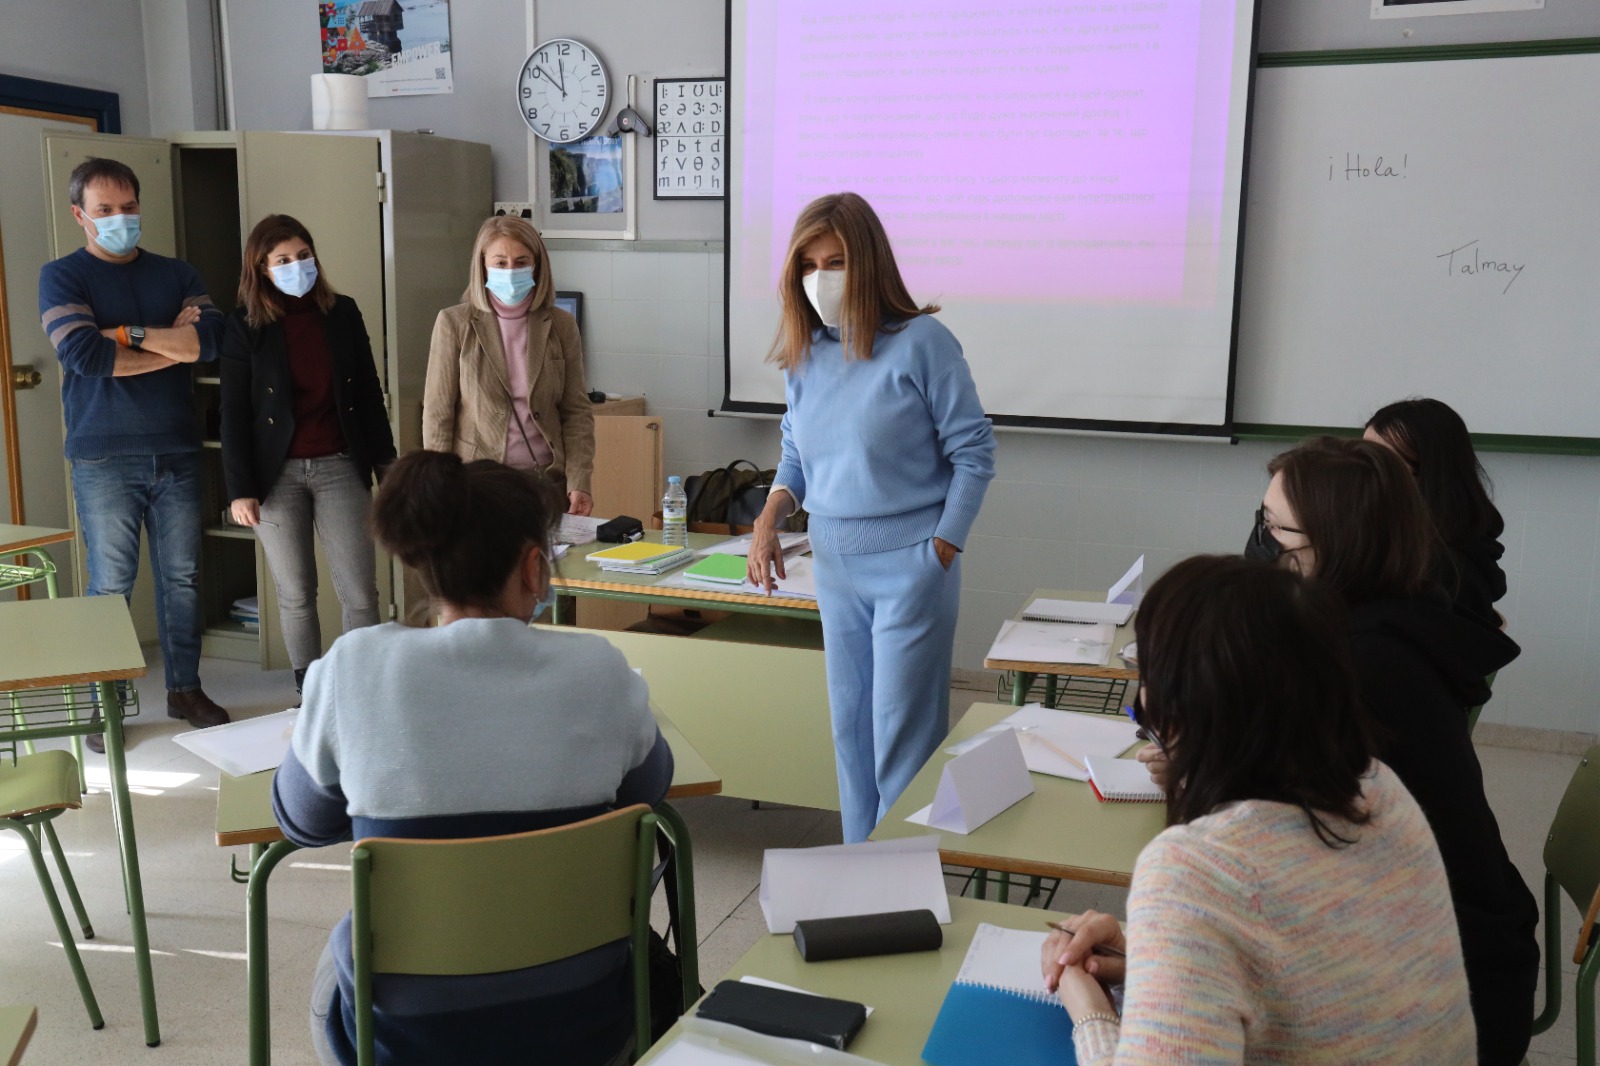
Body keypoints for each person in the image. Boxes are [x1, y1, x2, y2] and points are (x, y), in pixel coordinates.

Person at [272, 450, 671, 1066]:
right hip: (587, 1033)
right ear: (534, 568)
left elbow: (302, 821)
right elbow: (649, 788)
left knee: (342, 954)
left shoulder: (353, 667)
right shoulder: (601, 669)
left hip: (406, 1047)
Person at [1041, 555, 1475, 1064]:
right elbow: (1313, 971)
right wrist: (1146, 953)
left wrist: (1091, 1012)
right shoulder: (1380, 788)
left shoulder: (1194, 869)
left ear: (1184, 715)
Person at [1250, 436, 1536, 1066]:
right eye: (1263, 522)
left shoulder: (1366, 661)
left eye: (1279, 530)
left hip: (1437, 982)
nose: (1265, 546)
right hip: (1435, 938)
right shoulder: (1392, 617)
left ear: (1340, 538)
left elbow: (1283, 848)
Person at [747, 192, 996, 843]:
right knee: (851, 730)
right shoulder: (804, 354)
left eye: (835, 262)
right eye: (808, 264)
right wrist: (770, 515)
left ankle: (904, 885)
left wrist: (942, 549)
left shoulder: (923, 343)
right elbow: (796, 452)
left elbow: (974, 454)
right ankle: (865, 877)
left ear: (869, 264)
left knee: (902, 736)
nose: (820, 279)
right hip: (834, 563)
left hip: (911, 561)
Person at [38, 156, 230, 751]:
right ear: (80, 216)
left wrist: (126, 333)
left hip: (176, 447)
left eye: (128, 207)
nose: (120, 218)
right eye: (104, 211)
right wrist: (172, 345)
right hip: (103, 456)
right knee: (111, 584)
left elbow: (213, 342)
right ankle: (108, 705)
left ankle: (184, 689)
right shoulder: (61, 276)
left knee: (183, 578)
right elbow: (83, 357)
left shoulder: (176, 272)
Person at [220, 214, 397, 698]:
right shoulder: (244, 327)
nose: (297, 266)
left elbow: (368, 392)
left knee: (360, 590)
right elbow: (232, 412)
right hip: (275, 476)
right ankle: (309, 690)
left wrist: (389, 467)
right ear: (261, 268)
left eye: (304, 256)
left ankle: (364, 684)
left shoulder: (342, 313)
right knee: (296, 593)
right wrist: (241, 490)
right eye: (283, 260)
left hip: (340, 464)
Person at [422, 215, 595, 516]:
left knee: (543, 562)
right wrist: (438, 484)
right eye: (500, 263)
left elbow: (576, 411)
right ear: (483, 265)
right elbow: (438, 413)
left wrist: (580, 480)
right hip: (476, 481)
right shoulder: (454, 323)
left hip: (545, 481)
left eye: (521, 261)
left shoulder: (561, 325)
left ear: (537, 266)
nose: (511, 270)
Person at [1365, 397, 1508, 631]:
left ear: (1430, 476)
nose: (1361, 474)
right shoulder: (1400, 536)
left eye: (1381, 466)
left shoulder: (1440, 568)